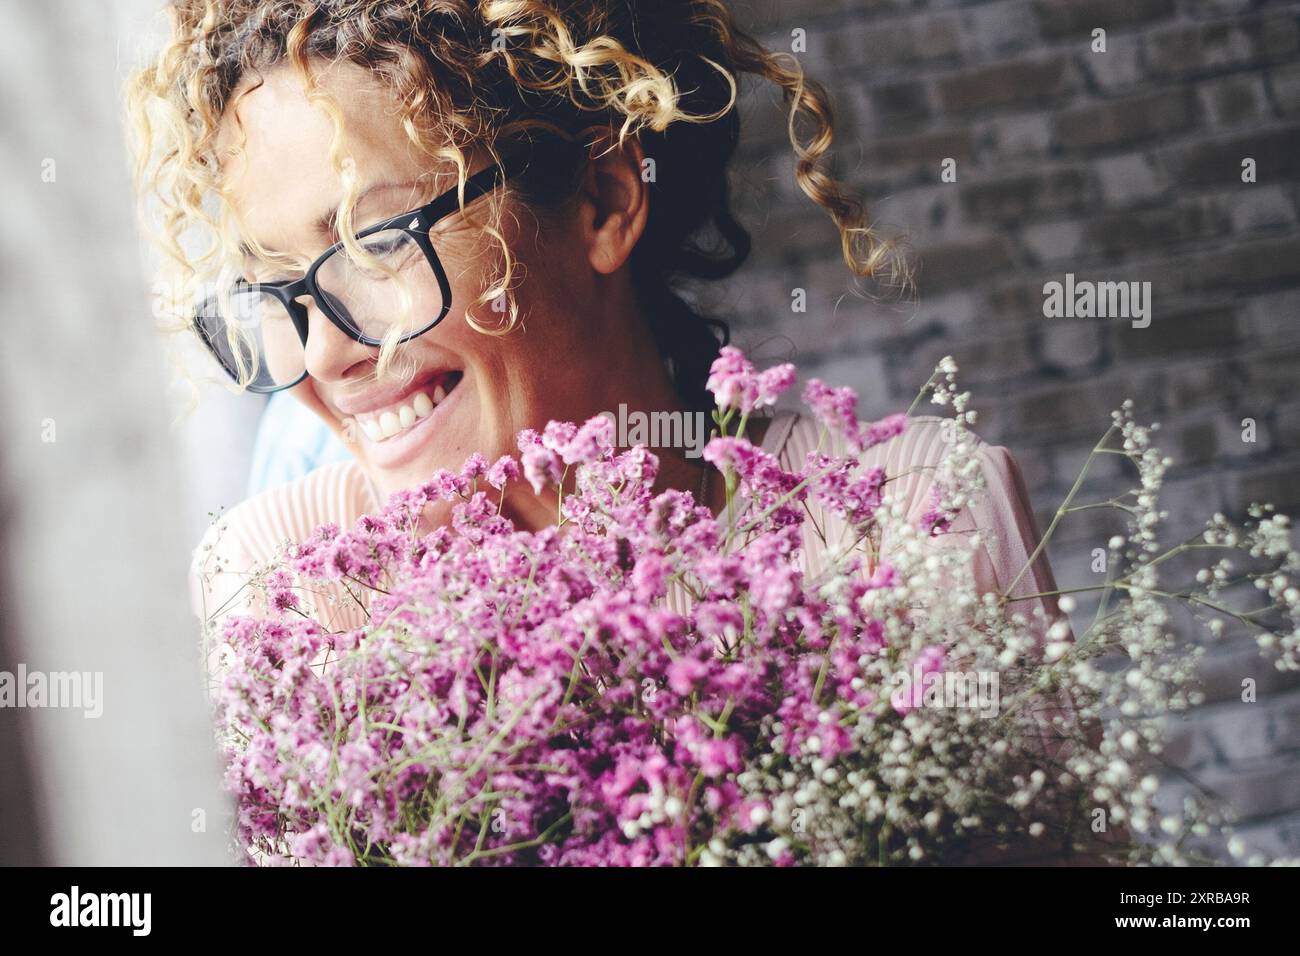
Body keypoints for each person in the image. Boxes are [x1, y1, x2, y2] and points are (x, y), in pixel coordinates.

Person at [126, 0, 1062, 666]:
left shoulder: (917, 525)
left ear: (603, 202)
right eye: (274, 289)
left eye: (376, 247)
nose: (325, 354)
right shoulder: (276, 596)